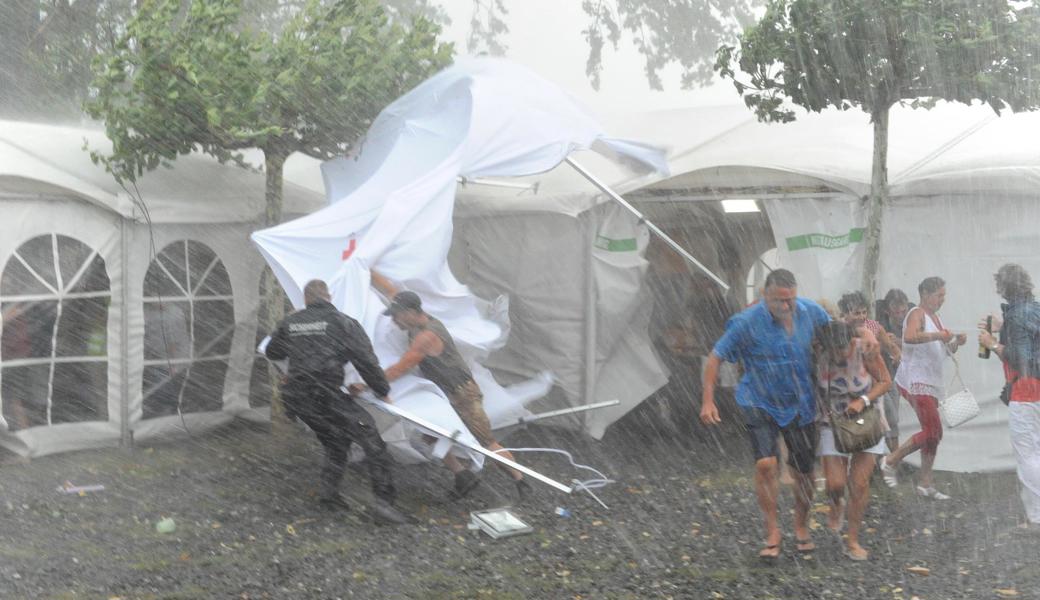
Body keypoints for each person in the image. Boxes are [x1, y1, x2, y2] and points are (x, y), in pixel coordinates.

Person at [701, 268, 831, 559]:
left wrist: (862, 336)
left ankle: (801, 525)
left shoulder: (811, 312)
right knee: (765, 465)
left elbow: (837, 334)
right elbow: (715, 356)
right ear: (765, 297)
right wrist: (708, 400)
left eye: (791, 300)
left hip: (801, 402)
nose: (787, 307)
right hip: (759, 399)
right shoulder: (747, 322)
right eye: (779, 301)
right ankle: (772, 529)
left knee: (805, 472)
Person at [368, 271, 531, 501]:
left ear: (411, 313)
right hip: (445, 393)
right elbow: (391, 291)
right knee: (430, 433)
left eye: (397, 316)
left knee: (486, 442)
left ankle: (521, 482)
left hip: (463, 394)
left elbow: (400, 368)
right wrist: (364, 266)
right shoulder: (413, 317)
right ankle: (463, 476)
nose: (394, 321)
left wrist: (369, 381)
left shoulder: (427, 337)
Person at [265, 279, 412, 525]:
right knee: (372, 441)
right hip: (325, 393)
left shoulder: (291, 322)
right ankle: (383, 506)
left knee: (336, 442)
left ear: (306, 299)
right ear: (328, 297)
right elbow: (366, 360)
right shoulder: (343, 323)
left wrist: (295, 339)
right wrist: (381, 389)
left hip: (297, 397)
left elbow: (273, 353)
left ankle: (328, 495)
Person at [881, 277, 967, 499]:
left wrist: (956, 342)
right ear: (926, 295)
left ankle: (925, 483)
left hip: (930, 382)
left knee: (933, 434)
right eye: (940, 295)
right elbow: (909, 337)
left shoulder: (935, 318)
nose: (942, 300)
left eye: (943, 295)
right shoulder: (916, 313)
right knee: (933, 431)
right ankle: (891, 460)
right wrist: (939, 335)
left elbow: (944, 350)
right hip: (915, 381)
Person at [813, 321, 891, 560]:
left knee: (858, 484)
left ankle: (853, 540)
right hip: (832, 422)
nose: (840, 354)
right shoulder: (819, 354)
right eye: (834, 350)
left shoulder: (864, 350)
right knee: (835, 485)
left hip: (866, 421)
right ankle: (837, 503)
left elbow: (885, 381)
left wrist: (864, 400)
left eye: (843, 347)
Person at [978, 264, 1040, 528]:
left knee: (1028, 456)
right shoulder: (1034, 308)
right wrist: (1003, 326)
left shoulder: (1017, 315)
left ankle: (1037, 517)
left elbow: (1022, 359)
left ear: (1005, 287)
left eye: (999, 285)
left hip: (1026, 393)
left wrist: (993, 343)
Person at [877, 289, 911, 451]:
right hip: (878, 375)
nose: (900, 315)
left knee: (892, 417)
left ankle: (891, 458)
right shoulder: (879, 324)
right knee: (889, 416)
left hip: (896, 376)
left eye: (903, 311)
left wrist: (897, 342)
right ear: (887, 310)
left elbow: (918, 346)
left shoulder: (911, 322)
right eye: (896, 311)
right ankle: (891, 457)